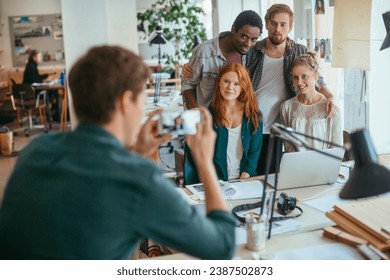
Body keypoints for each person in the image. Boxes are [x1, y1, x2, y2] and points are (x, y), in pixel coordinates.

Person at [0, 46, 236, 260]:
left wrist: (137, 152)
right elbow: (222, 246)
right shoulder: (137, 179)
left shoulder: (36, 150)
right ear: (126, 102)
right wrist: (205, 162)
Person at [245, 3, 336, 175]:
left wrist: (330, 96)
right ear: (267, 24)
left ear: (290, 27)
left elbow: (316, 77)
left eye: (283, 24)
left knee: (275, 179)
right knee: (250, 177)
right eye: (273, 23)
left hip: (281, 128)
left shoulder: (298, 50)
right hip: (253, 128)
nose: (277, 29)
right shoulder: (253, 51)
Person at [185, 63, 263, 184]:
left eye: (236, 84)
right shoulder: (207, 116)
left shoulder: (253, 115)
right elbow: (198, 155)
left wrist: (244, 178)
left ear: (243, 86)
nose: (230, 87)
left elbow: (254, 154)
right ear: (219, 82)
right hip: (214, 181)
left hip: (245, 179)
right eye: (226, 81)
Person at [181, 10, 263, 109]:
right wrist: (195, 111)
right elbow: (187, 84)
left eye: (253, 39)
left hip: (234, 121)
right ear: (233, 29)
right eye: (244, 36)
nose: (248, 44)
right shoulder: (204, 52)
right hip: (206, 119)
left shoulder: (252, 53)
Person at [280, 52, 342, 152]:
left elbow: (337, 148)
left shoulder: (332, 108)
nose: (299, 82)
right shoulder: (286, 107)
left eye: (304, 76)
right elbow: (288, 145)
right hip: (296, 165)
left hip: (325, 166)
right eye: (295, 77)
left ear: (316, 76)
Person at [23, 49, 59, 122]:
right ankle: (53, 113)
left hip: (30, 92)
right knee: (53, 91)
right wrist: (46, 81)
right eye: (39, 56)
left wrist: (46, 75)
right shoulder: (31, 66)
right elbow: (35, 81)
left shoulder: (31, 65)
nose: (40, 58)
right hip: (32, 93)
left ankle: (51, 111)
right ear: (34, 57)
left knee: (53, 91)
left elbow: (36, 77)